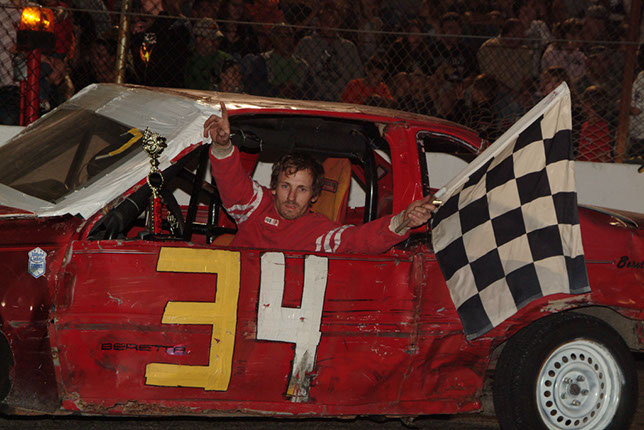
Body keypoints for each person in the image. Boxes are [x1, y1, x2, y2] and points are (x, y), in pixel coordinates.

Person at [203, 102, 436, 253]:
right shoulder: (255, 206)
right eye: (285, 186)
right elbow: (232, 182)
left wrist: (403, 220)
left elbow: (358, 240)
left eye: (302, 189)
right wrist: (222, 146)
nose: (291, 197)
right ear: (273, 187)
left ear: (314, 196)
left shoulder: (318, 231)